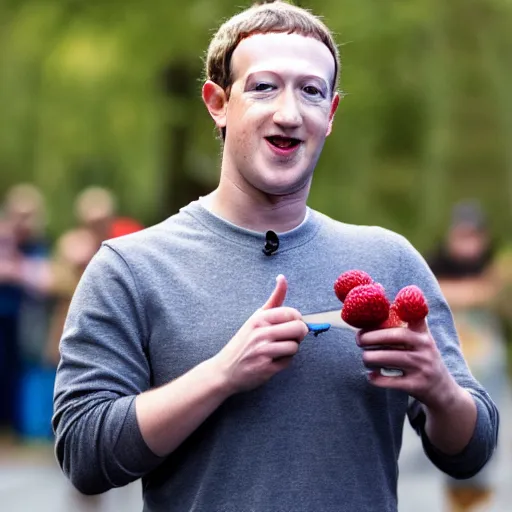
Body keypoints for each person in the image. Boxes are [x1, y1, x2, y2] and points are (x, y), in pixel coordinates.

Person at [53, 2, 499, 511]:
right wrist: (221, 375)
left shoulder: (390, 259)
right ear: (218, 103)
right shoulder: (129, 268)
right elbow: (84, 455)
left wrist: (440, 389)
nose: (289, 113)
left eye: (311, 91)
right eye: (264, 86)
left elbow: (473, 450)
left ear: (329, 115)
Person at [428, 201, 508, 512]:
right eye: (462, 235)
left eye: (473, 235)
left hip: (489, 367)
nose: (468, 243)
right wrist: (483, 290)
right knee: (454, 443)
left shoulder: (494, 266)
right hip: (455, 367)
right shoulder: (436, 265)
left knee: (489, 438)